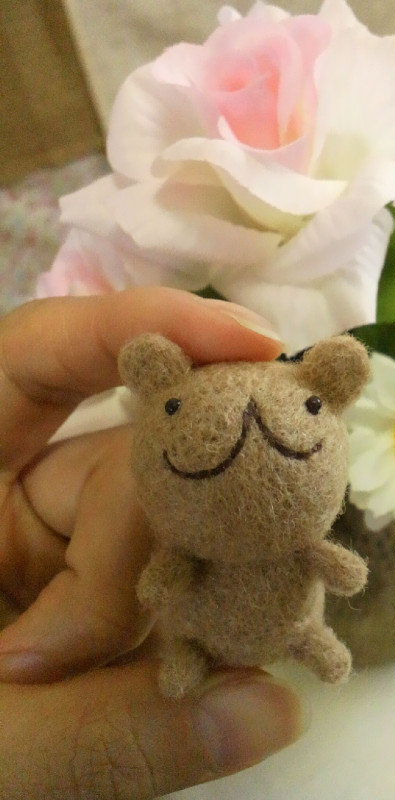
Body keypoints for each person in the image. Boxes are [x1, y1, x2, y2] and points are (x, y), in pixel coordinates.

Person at [0, 288, 306, 799]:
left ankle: (308, 639)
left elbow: (329, 561)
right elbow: (164, 574)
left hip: (286, 622)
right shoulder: (170, 531)